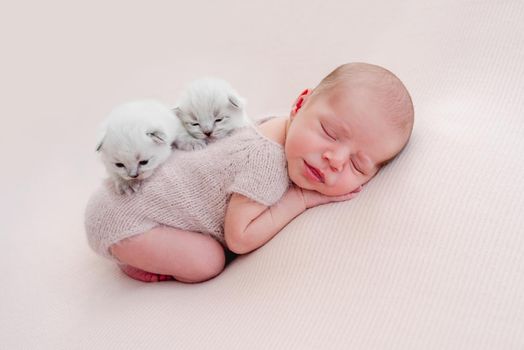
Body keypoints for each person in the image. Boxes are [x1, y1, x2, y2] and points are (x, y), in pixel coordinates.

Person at [85, 62, 414, 283]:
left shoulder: (279, 127)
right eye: (329, 132)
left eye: (358, 165)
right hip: (126, 218)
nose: (335, 160)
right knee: (209, 262)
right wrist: (298, 200)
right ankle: (132, 256)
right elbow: (239, 238)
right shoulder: (267, 162)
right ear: (299, 105)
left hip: (134, 198)